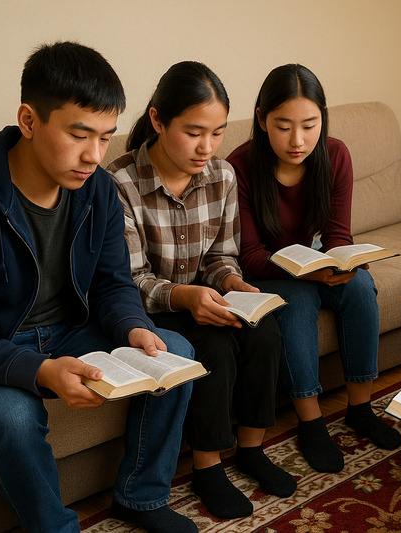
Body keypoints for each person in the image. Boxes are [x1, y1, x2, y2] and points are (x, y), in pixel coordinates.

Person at [0, 42, 197, 533]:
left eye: (105, 137)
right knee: (12, 418)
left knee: (173, 354)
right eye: (79, 135)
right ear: (29, 121)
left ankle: (141, 497)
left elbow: (114, 283)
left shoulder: (96, 189)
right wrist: (41, 371)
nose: (94, 155)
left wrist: (134, 327)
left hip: (70, 331)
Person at [107, 61, 294, 520]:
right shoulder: (119, 183)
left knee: (265, 330)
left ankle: (251, 448)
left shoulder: (223, 176)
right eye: (194, 132)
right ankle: (207, 466)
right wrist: (187, 297)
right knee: (211, 346)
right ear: (157, 120)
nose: (207, 148)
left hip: (204, 295)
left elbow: (220, 258)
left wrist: (232, 283)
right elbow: (130, 280)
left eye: (217, 133)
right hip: (154, 307)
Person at [227, 64, 401, 474]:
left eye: (310, 125)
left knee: (359, 288)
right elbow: (249, 253)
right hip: (268, 267)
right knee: (298, 302)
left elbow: (339, 233)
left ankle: (360, 407)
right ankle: (311, 421)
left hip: (314, 256)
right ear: (261, 119)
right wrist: (305, 274)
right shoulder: (240, 166)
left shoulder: (335, 154)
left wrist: (340, 262)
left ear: (323, 118)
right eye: (283, 126)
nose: (298, 140)